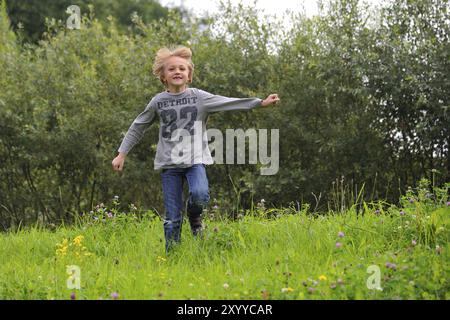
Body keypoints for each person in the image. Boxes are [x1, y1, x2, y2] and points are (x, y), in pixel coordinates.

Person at [112, 46, 280, 252]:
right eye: (172, 69)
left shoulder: (199, 97)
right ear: (163, 76)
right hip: (169, 164)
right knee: (172, 218)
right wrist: (122, 153)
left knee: (200, 194)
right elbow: (138, 126)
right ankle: (172, 257)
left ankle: (194, 215)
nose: (177, 72)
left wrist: (259, 103)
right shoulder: (158, 102)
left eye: (182, 69)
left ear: (189, 75)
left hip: (195, 160)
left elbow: (227, 102)